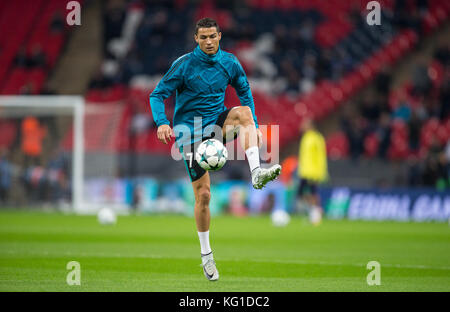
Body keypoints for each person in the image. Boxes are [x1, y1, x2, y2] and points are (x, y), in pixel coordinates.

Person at [149, 18, 281, 281]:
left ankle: (256, 172)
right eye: (203, 37)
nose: (208, 41)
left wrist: (253, 124)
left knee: (244, 113)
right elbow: (157, 94)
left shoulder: (230, 62)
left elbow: (245, 91)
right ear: (196, 39)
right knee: (205, 196)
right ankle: (206, 255)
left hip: (215, 127)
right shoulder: (184, 65)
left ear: (219, 36)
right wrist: (162, 122)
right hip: (189, 134)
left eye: (212, 36)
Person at [297, 118, 328, 226]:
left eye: (304, 124)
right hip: (304, 171)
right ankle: (313, 212)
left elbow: (321, 156)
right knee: (301, 193)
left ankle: (316, 213)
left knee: (313, 193)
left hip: (313, 172)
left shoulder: (316, 138)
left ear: (310, 125)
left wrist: (321, 172)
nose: (302, 126)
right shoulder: (306, 137)